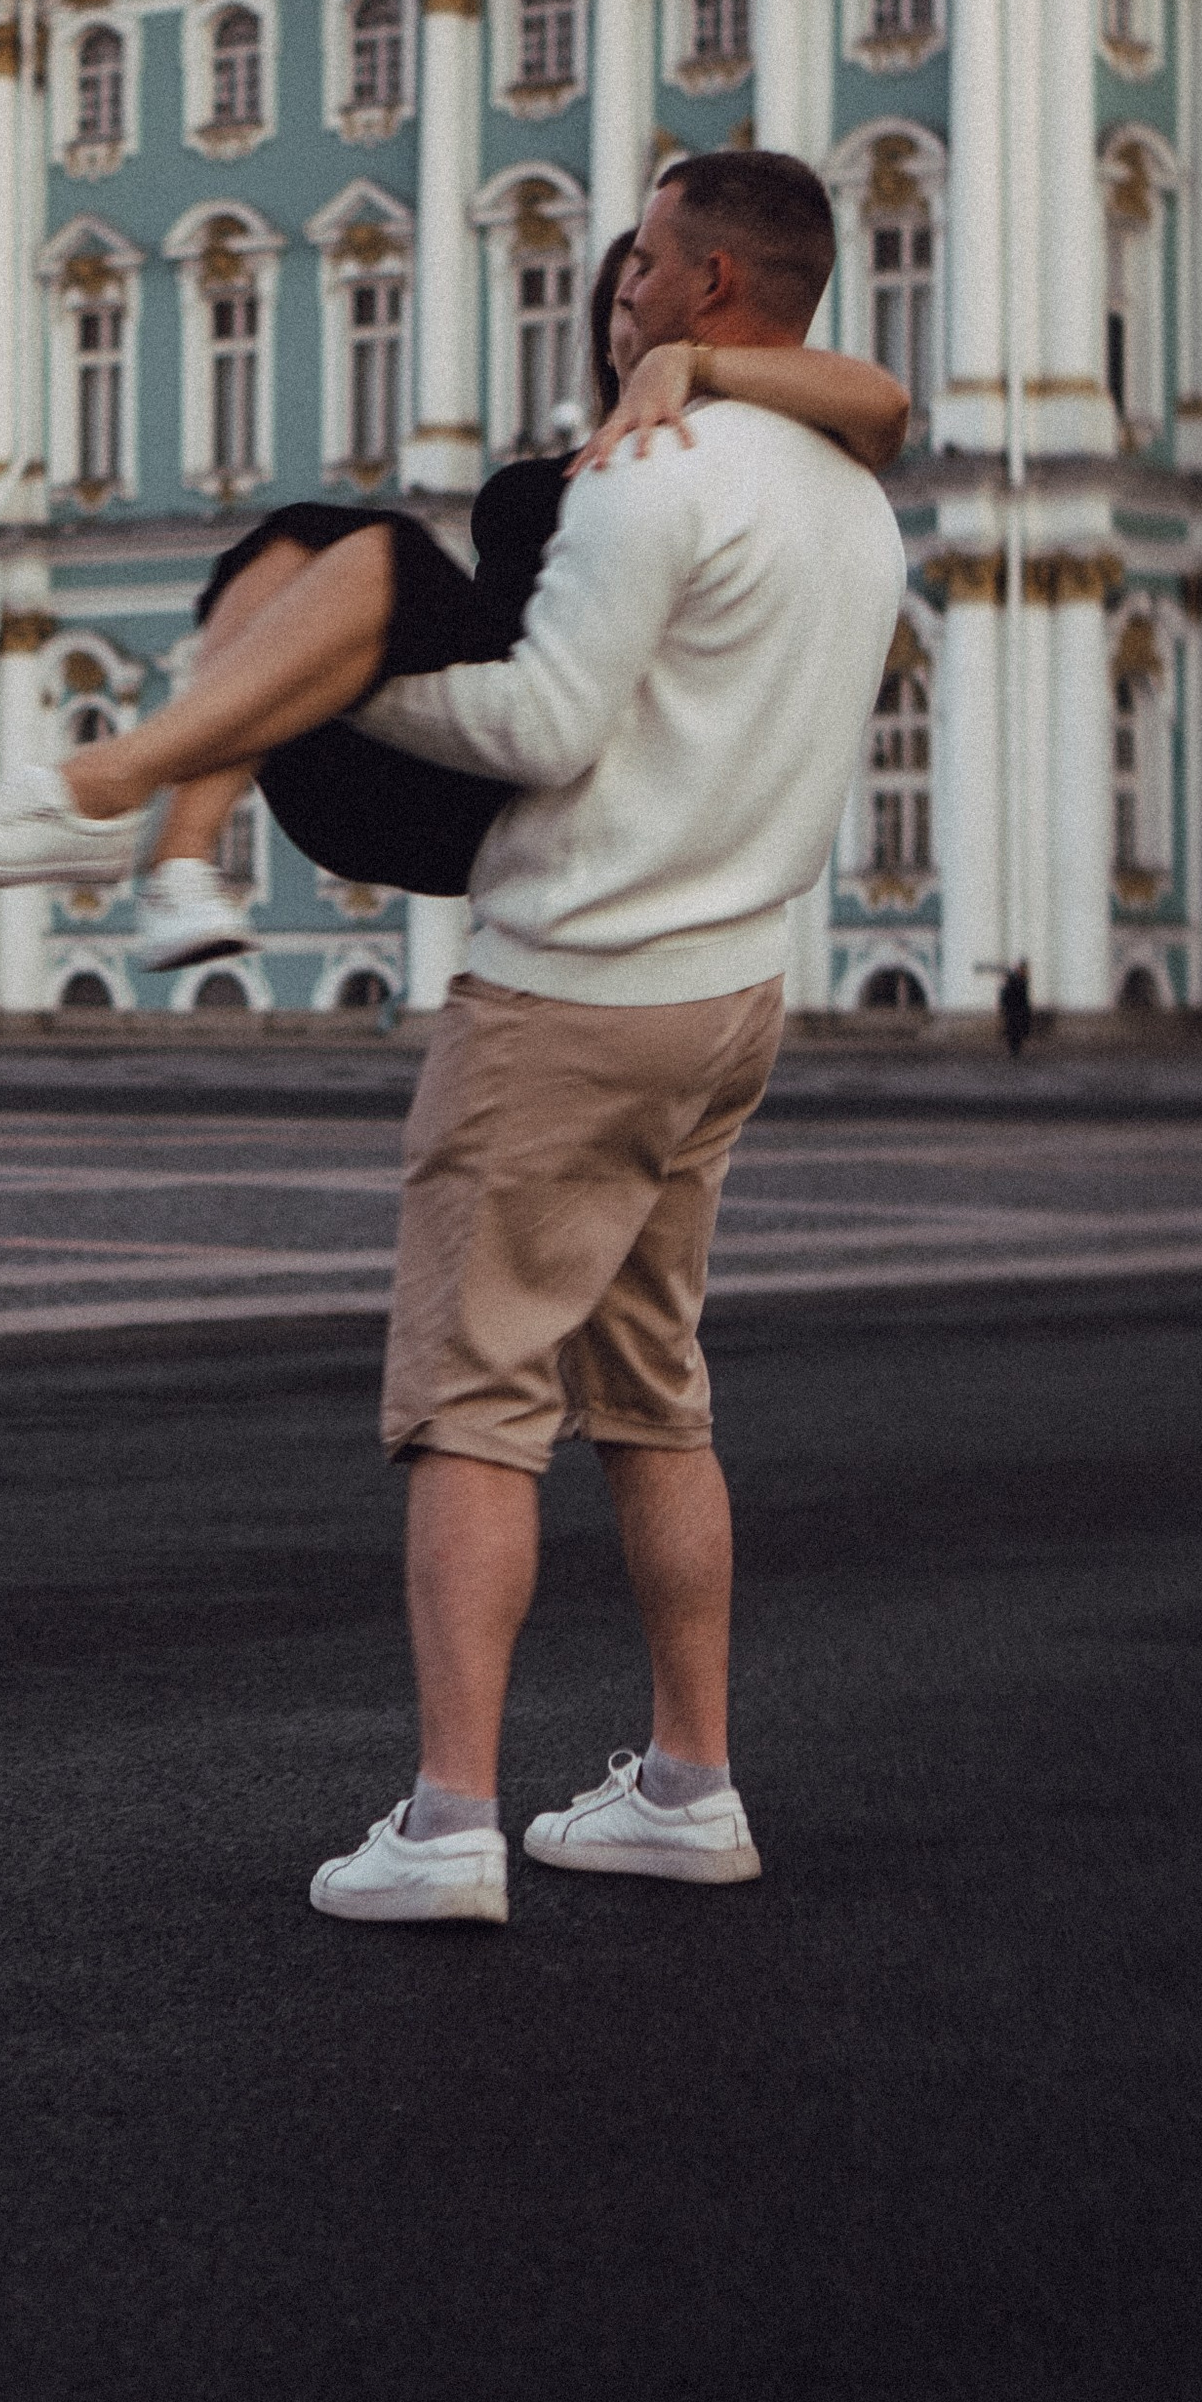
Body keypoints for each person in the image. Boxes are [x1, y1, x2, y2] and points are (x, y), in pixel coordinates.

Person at [300, 148, 905, 1922]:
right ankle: (689, 1780)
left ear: (711, 284)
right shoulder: (849, 496)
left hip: (569, 995)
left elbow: (545, 722)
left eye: (642, 261)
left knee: (475, 1409)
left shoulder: (649, 475)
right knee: (654, 1396)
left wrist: (329, 676)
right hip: (730, 994)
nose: (618, 287)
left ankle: (449, 1820)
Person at [0, 228, 907, 964]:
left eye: (639, 292)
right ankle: (179, 865)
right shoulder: (613, 462)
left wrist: (692, 363)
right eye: (612, 302)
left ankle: (102, 793)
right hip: (417, 778)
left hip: (518, 797)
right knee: (298, 537)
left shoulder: (724, 464)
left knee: (371, 546)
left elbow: (885, 403)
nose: (621, 322)